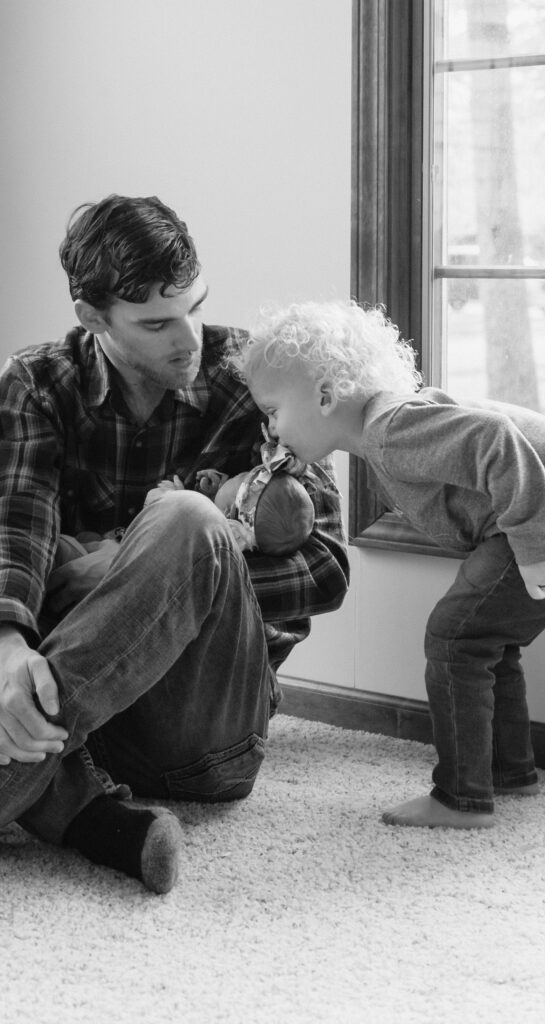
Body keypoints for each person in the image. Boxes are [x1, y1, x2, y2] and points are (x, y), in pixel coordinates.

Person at [0, 196, 349, 893]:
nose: (188, 337)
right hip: (94, 725)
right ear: (92, 319)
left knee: (187, 521)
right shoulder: (37, 384)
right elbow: (17, 530)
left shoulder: (255, 380)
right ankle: (93, 819)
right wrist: (8, 641)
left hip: (203, 736)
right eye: (156, 323)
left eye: (195, 306)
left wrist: (167, 571)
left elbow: (325, 569)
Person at [233, 298, 545, 830]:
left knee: (455, 638)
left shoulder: (390, 429)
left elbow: (498, 443)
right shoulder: (394, 424)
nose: (270, 431)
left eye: (272, 411)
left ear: (324, 396)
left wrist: (537, 541)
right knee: (485, 638)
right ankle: (507, 770)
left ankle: (462, 798)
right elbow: (530, 455)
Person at [147, 427, 316, 555]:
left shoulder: (210, 538)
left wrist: (175, 498)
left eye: (238, 478)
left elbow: (183, 528)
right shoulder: (237, 529)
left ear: (229, 511)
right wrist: (216, 493)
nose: (234, 476)